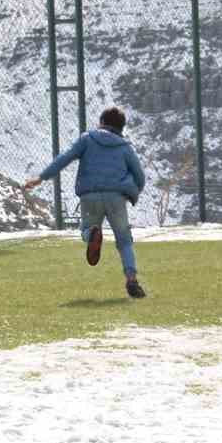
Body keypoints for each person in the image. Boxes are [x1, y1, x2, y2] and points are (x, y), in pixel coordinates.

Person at [23, 106, 148, 299]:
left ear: (102, 122)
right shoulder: (125, 148)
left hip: (90, 196)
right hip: (116, 197)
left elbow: (64, 158)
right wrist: (130, 190)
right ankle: (131, 279)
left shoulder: (87, 139)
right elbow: (140, 177)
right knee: (124, 240)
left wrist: (41, 178)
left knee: (86, 228)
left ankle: (92, 235)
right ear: (121, 127)